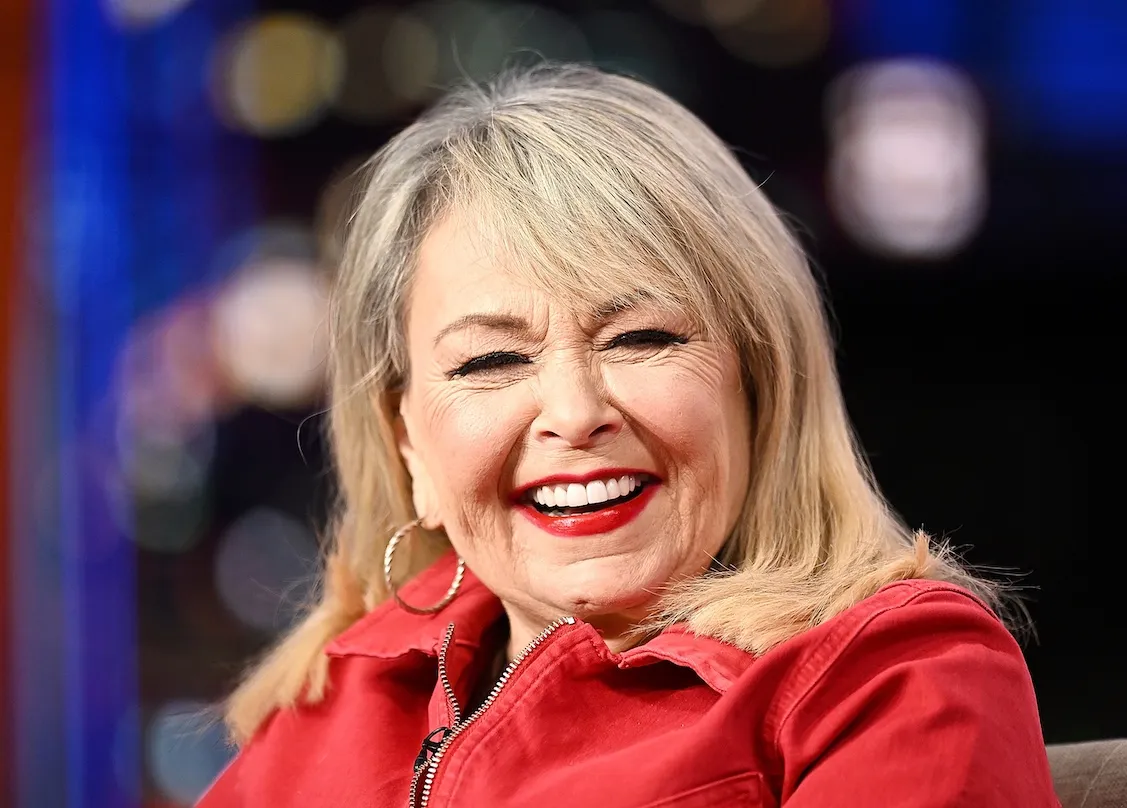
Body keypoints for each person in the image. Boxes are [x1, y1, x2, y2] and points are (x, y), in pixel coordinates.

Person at [199, 63, 1058, 807]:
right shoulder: (328, 699)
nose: (574, 414)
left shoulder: (893, 676)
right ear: (409, 446)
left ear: (758, 388)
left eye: (642, 339)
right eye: (492, 360)